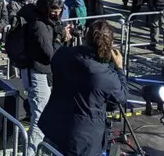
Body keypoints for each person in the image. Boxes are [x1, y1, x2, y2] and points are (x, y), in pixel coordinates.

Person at [39, 20, 127, 156]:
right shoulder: (104, 75)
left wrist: (59, 39)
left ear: (86, 39)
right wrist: (120, 68)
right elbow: (121, 96)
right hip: (83, 140)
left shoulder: (63, 55)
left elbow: (55, 55)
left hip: (55, 129)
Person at [13, 0, 68, 151]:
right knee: (39, 117)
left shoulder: (44, 22)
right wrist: (59, 39)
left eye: (59, 10)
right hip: (37, 73)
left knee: (42, 115)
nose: (57, 14)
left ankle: (37, 149)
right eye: (54, 10)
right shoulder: (39, 25)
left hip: (41, 73)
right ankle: (31, 151)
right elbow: (49, 54)